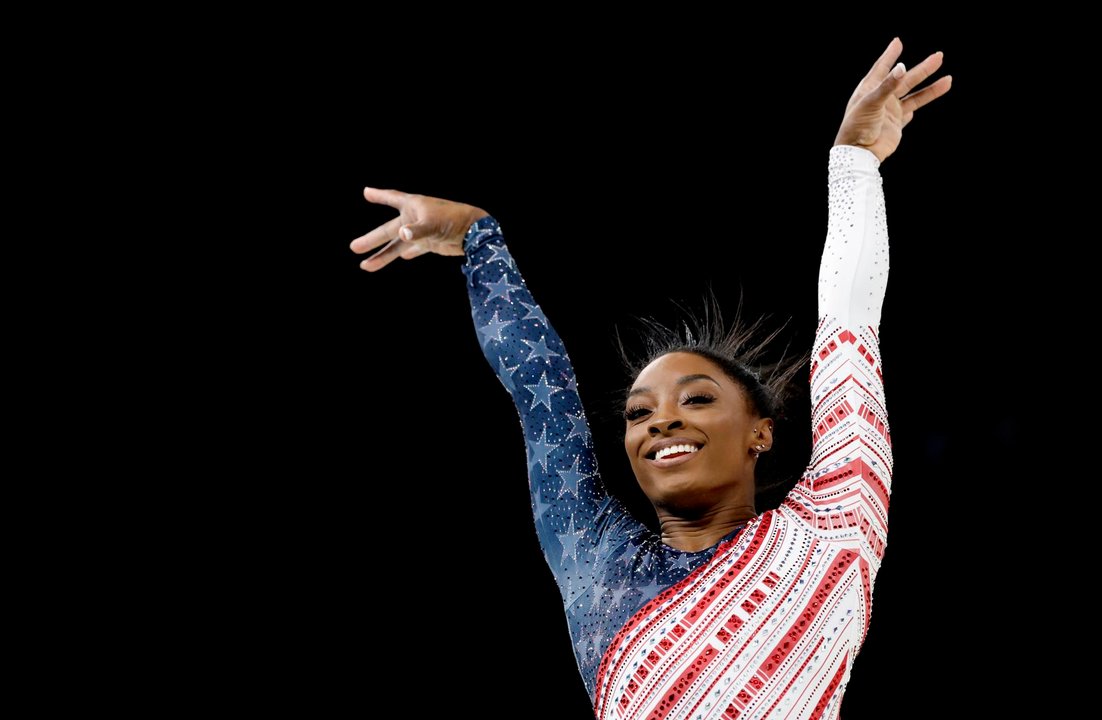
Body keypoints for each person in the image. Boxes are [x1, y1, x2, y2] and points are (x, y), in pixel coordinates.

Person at [350, 37, 950, 720]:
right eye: (638, 414)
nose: (661, 421)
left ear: (762, 431)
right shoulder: (594, 562)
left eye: (697, 399)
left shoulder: (834, 529)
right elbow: (538, 388)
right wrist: (479, 238)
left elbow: (849, 322)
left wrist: (854, 163)